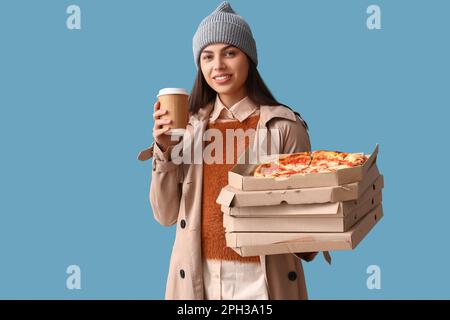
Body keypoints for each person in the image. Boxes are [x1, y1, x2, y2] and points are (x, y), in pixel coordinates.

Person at [141, 1, 324, 300]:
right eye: (207, 56)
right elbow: (165, 215)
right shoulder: (188, 129)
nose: (218, 66)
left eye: (230, 53)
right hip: (199, 278)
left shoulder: (285, 126)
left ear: (249, 59)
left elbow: (305, 225)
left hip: (263, 279)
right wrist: (164, 150)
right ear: (199, 66)